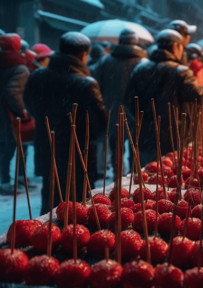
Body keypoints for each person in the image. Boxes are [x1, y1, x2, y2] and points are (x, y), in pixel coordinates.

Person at [24, 32, 107, 214]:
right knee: (77, 210)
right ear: (84, 55)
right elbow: (101, 125)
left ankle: (46, 239)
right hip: (77, 154)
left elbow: (30, 106)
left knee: (50, 203)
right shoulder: (86, 83)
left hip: (48, 148)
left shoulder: (38, 76)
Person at [125, 29, 203, 165]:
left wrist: (144, 118)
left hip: (144, 134)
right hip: (171, 136)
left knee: (143, 177)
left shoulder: (140, 69)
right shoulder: (180, 71)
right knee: (168, 175)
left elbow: (129, 101)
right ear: (176, 47)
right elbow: (199, 94)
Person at [93, 28, 148, 175]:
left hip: (112, 113)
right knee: (135, 154)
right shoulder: (143, 63)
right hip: (137, 113)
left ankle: (117, 187)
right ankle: (134, 185)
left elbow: (96, 87)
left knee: (116, 153)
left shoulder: (105, 62)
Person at [0, 34, 29, 194]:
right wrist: (21, 110)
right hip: (10, 115)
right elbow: (13, 92)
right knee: (14, 146)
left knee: (5, 148)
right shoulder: (20, 67)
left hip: (2, 114)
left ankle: (6, 181)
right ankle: (10, 182)